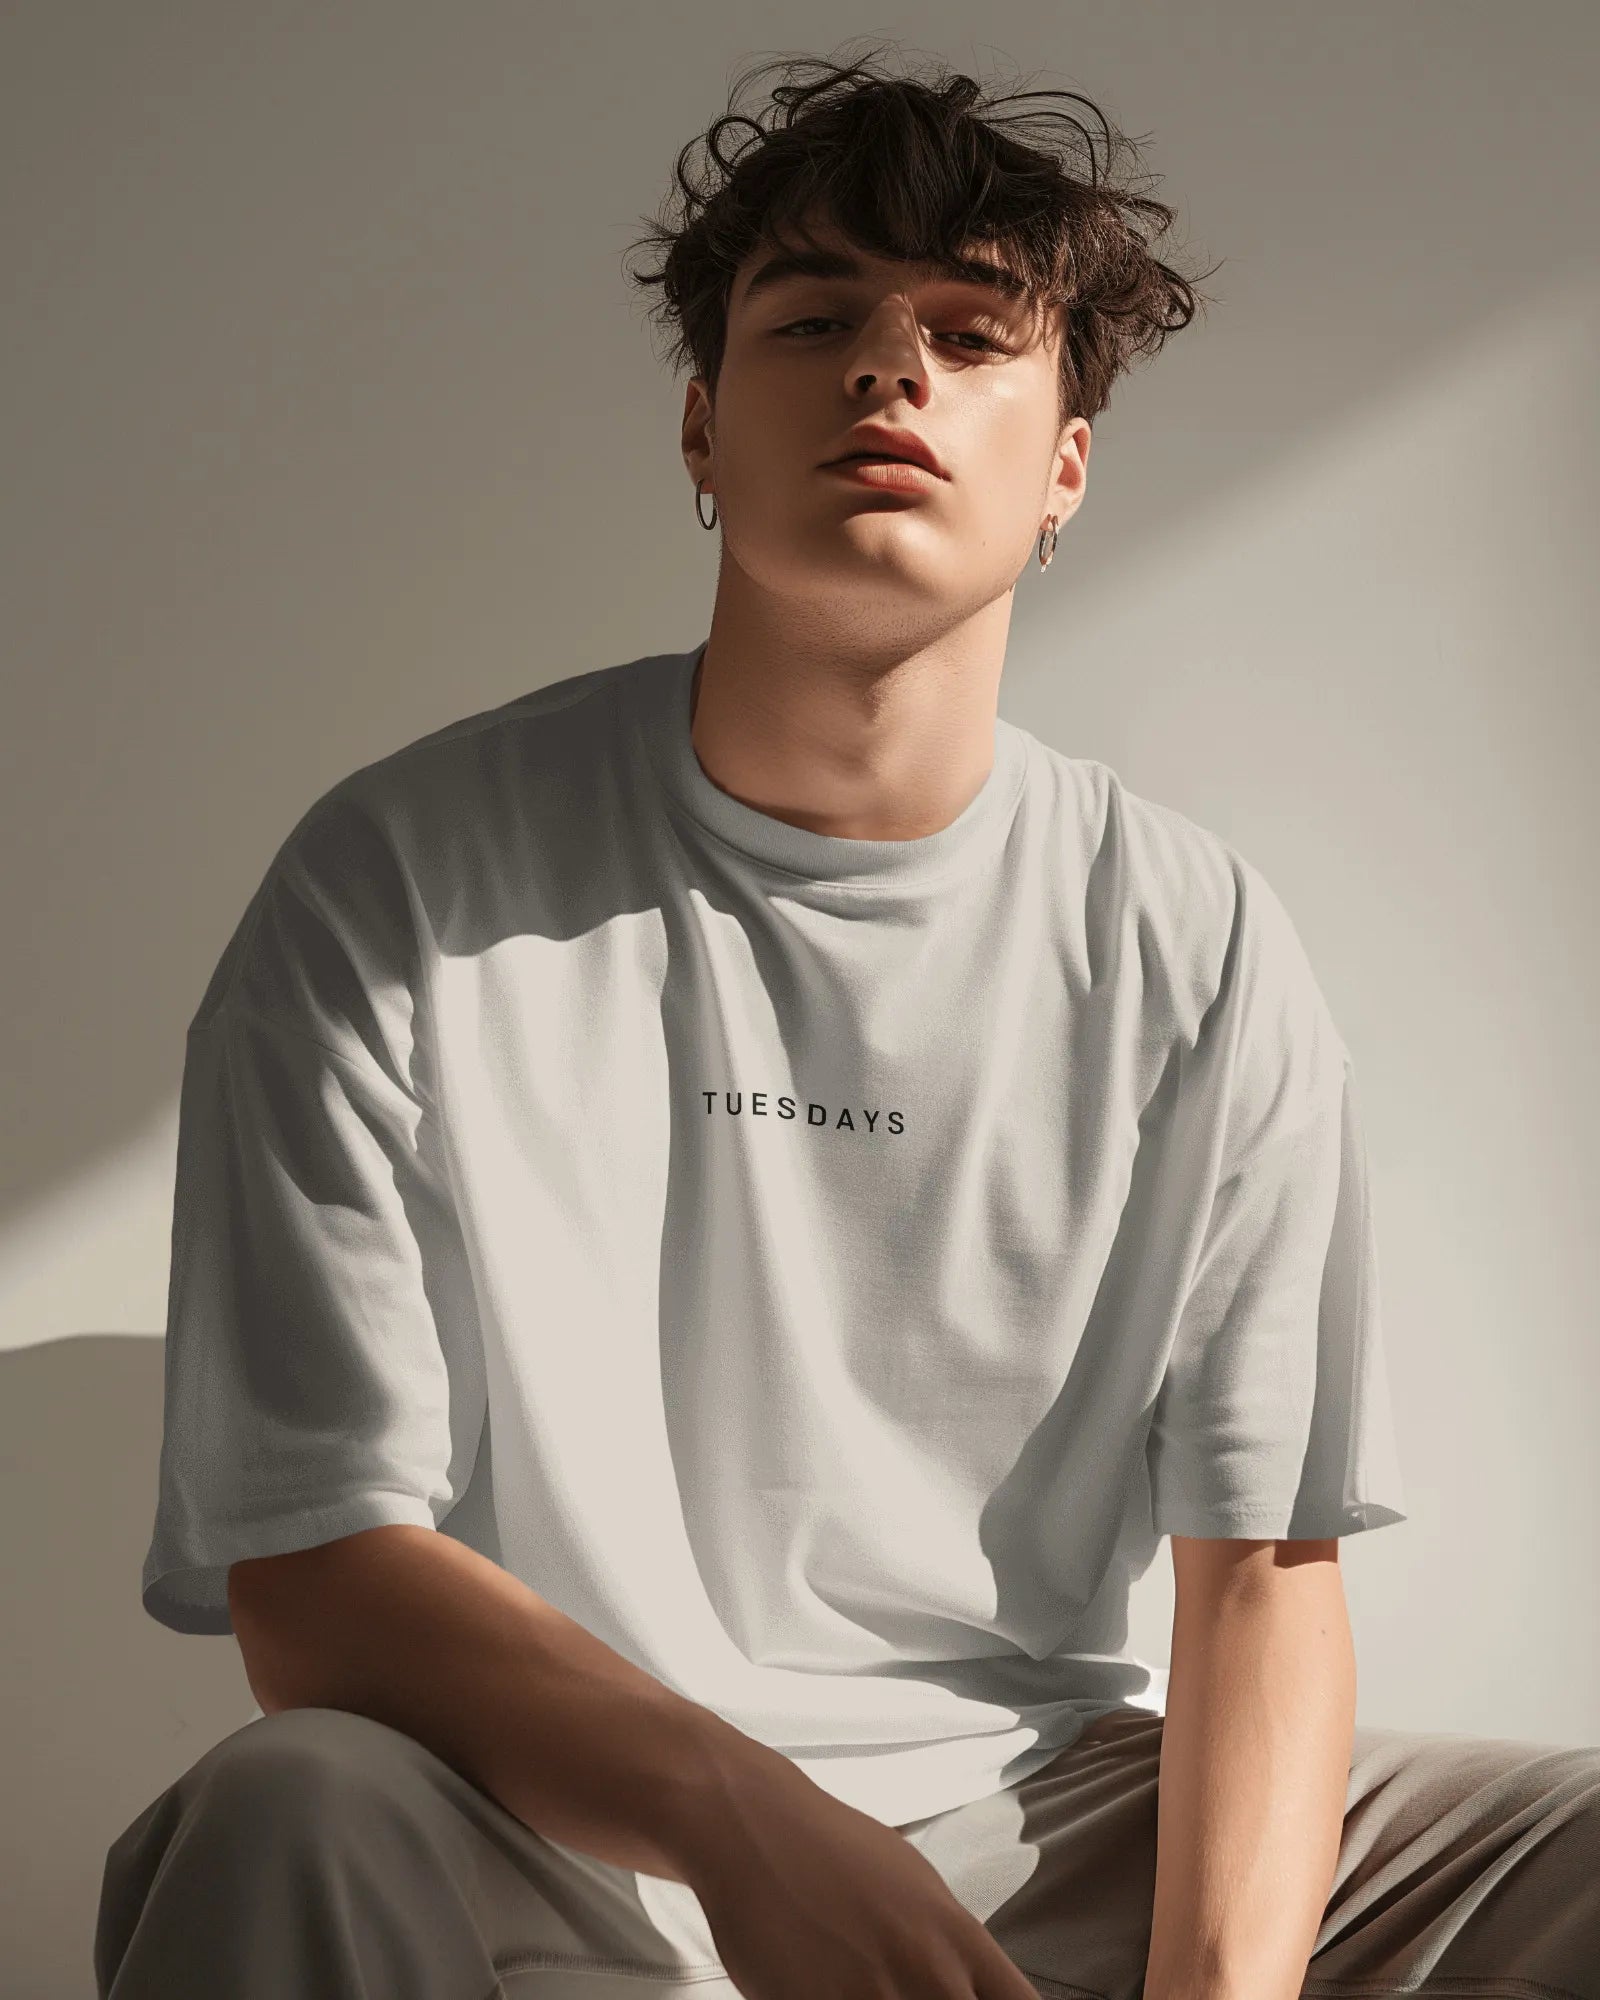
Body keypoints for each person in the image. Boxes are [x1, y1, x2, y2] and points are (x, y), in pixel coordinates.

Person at [95, 44, 1599, 2000]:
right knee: (289, 1804)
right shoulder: (399, 885)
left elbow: (1259, 1576)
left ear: (1065, 470)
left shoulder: (1191, 940)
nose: (890, 370)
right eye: (815, 321)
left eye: (969, 335)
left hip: (1040, 1832)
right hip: (561, 1832)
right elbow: (312, 1582)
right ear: (701, 431)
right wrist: (740, 1821)